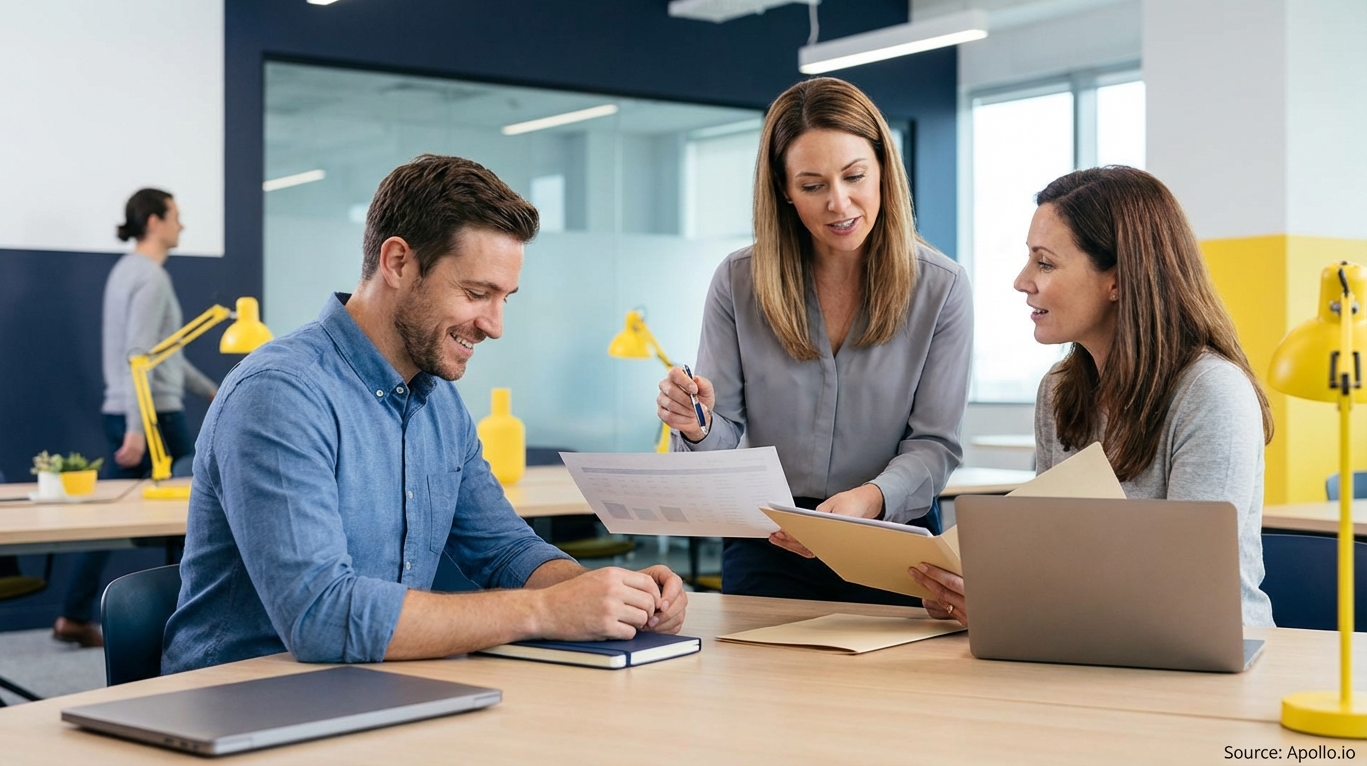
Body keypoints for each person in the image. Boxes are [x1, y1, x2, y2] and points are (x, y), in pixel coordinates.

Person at [161, 155, 687, 673]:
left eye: (506, 298)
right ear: (396, 263)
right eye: (477, 293)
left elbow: (506, 551)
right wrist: (546, 611)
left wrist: (611, 596)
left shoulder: (438, 403)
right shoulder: (282, 393)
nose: (496, 325)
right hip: (242, 703)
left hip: (371, 688)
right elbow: (320, 616)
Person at [911, 166, 1276, 627]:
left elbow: (1190, 594)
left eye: (1044, 263)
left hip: (1205, 663)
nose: (1022, 281)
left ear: (1118, 281)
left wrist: (1013, 606)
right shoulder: (1059, 392)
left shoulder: (1212, 394)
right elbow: (1056, 561)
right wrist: (975, 589)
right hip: (1088, 649)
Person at [656, 78, 973, 605]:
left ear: (883, 172)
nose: (838, 203)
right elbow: (725, 434)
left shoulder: (941, 286)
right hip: (769, 541)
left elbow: (934, 444)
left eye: (854, 177)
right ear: (783, 189)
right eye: (812, 185)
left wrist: (869, 500)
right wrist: (696, 424)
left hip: (888, 539)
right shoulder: (739, 281)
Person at [52, 189, 218, 648]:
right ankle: (201, 615)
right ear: (153, 221)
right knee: (199, 514)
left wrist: (209, 389)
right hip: (152, 415)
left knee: (108, 516)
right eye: (176, 217)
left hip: (137, 410)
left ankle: (72, 613)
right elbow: (139, 357)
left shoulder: (127, 272)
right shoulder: (150, 279)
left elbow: (161, 356)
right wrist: (136, 426)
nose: (181, 225)